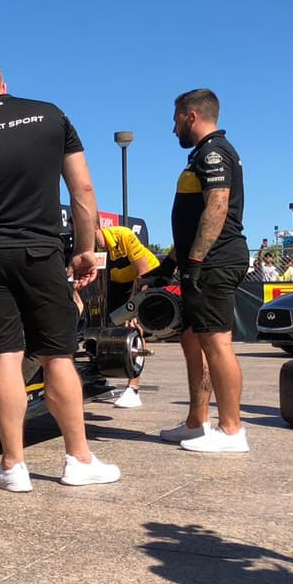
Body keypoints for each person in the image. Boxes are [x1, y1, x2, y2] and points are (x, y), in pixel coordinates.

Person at [0, 56, 119, 491]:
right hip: (41, 252)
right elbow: (83, 188)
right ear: (3, 83)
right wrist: (85, 251)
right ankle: (79, 459)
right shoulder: (50, 116)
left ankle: (13, 466)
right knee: (57, 355)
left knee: (6, 355)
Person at [161, 88, 250, 453]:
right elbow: (193, 218)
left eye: (176, 119)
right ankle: (197, 422)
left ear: (192, 116)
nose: (174, 128)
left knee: (217, 342)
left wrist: (196, 260)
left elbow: (217, 205)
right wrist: (170, 263)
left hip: (216, 260)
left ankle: (232, 431)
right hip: (201, 260)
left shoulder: (214, 152)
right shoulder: (203, 154)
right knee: (192, 338)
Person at [95, 224, 159, 408]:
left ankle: (133, 389)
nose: (77, 234)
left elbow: (143, 272)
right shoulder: (85, 245)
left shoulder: (123, 235)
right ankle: (97, 378)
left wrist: (134, 310)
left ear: (95, 227)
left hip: (146, 277)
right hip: (118, 280)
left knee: (133, 329)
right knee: (102, 326)